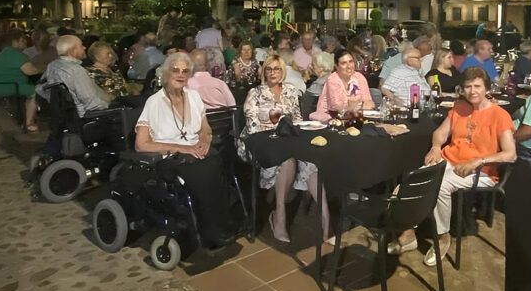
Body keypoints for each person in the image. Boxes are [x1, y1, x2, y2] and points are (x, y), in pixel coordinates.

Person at [388, 67, 516, 265]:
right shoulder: (459, 108)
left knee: (440, 186)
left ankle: (442, 236)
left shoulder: (499, 115)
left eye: (477, 86)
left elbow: (510, 154)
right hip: (449, 160)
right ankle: (409, 233)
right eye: (468, 87)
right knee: (415, 180)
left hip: (481, 170)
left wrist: (478, 161)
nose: (472, 91)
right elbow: (440, 132)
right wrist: (437, 147)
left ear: (486, 88)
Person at [135, 52, 234, 247]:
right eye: (175, 70)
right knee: (204, 171)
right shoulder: (154, 102)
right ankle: (210, 230)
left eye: (185, 71)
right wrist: (182, 148)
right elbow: (141, 144)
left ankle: (222, 223)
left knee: (217, 160)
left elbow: (205, 127)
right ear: (166, 73)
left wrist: (205, 140)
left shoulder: (194, 96)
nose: (180, 75)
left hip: (194, 151)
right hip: (167, 158)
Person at [238, 55, 329, 242]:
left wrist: (283, 128)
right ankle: (279, 216)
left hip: (285, 141)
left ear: (283, 72)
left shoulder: (290, 90)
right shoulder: (255, 92)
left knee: (311, 161)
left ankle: (326, 220)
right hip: (258, 143)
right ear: (264, 72)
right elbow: (253, 125)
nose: (273, 72)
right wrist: (279, 128)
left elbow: (296, 120)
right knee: (287, 162)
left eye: (277, 69)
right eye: (269, 69)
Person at [37, 35, 111, 117]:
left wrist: (60, 105)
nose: (84, 47)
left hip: (66, 116)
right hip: (87, 115)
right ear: (73, 50)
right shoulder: (76, 70)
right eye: (81, 45)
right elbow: (92, 102)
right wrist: (110, 104)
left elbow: (39, 89)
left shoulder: (52, 66)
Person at [0, 29, 43, 132]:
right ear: (15, 42)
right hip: (10, 86)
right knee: (37, 92)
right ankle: (29, 123)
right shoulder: (16, 55)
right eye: (22, 40)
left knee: (32, 90)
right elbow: (30, 71)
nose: (25, 42)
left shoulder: (5, 53)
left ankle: (30, 116)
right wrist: (46, 69)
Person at [310, 50, 375, 122]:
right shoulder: (332, 80)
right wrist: (354, 108)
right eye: (344, 63)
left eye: (351, 61)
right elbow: (337, 108)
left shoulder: (359, 77)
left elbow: (368, 101)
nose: (349, 66)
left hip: (356, 117)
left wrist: (366, 105)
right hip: (332, 119)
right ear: (336, 66)